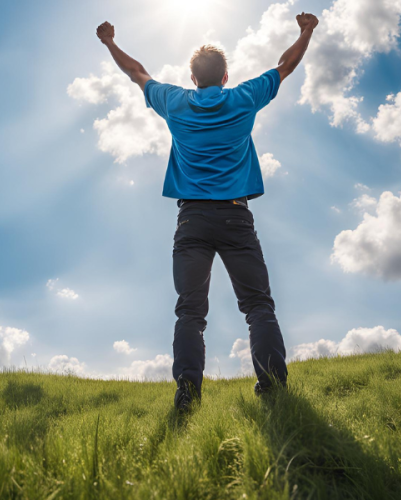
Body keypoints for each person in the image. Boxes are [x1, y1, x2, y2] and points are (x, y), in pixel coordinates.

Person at [96, 12, 319, 412]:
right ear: (226, 76)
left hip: (192, 222)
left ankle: (188, 393)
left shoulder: (175, 103)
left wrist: (110, 43)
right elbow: (285, 66)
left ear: (193, 78)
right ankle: (272, 387)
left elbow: (137, 72)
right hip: (236, 218)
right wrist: (306, 30)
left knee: (190, 312)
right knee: (258, 306)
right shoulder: (244, 97)